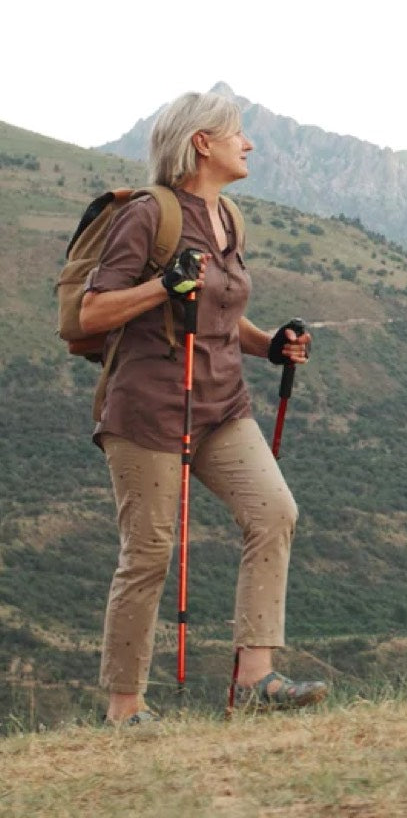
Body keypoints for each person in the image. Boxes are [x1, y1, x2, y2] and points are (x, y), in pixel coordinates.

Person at [80, 90, 328, 725]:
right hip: (149, 410)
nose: (248, 144)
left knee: (274, 511)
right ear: (202, 143)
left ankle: (256, 678)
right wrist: (163, 285)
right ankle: (124, 709)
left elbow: (221, 315)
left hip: (220, 403)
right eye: (238, 134)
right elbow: (93, 311)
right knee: (149, 552)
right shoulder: (149, 216)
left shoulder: (230, 220)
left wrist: (269, 344)